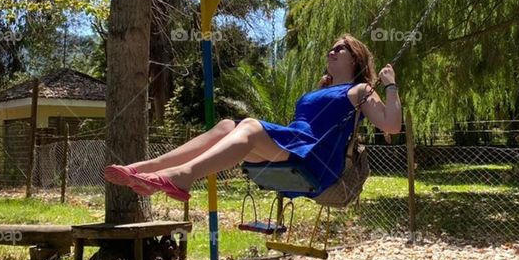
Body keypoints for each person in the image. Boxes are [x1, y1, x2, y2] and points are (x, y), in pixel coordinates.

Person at [103, 34, 401, 202]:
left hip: (313, 160)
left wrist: (389, 85)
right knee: (225, 126)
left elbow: (391, 126)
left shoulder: (360, 90)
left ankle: (182, 176)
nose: (332, 50)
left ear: (356, 58)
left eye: (341, 48)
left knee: (248, 125)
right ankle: (144, 169)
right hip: (290, 149)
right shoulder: (318, 89)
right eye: (331, 46)